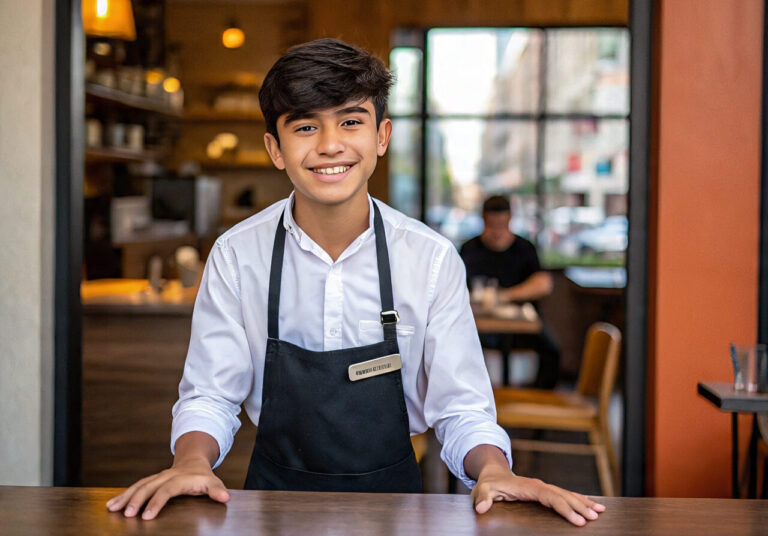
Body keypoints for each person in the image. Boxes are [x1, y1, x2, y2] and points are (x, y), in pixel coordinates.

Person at [106, 38, 603, 526]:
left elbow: (461, 407)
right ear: (275, 148)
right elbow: (210, 394)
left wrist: (495, 470)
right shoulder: (238, 256)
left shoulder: (429, 260)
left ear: (381, 137)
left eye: (350, 121)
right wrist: (191, 462)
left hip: (396, 514)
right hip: (273, 512)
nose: (329, 145)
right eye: (305, 126)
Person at [460, 195, 562, 389]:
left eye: (502, 225)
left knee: (552, 351)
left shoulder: (524, 248)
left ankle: (537, 400)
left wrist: (506, 295)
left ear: (510, 219)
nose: (497, 232)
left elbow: (543, 283)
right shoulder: (469, 249)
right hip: (478, 322)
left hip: (522, 322)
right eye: (492, 225)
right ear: (483, 220)